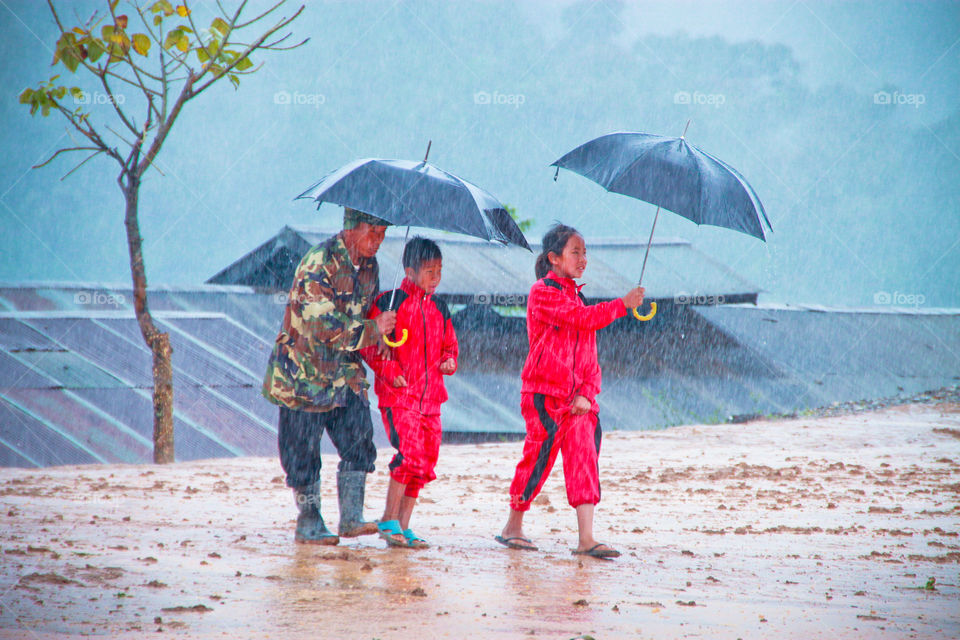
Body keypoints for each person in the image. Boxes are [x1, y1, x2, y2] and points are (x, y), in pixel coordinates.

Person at [496, 223, 645, 558]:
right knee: (538, 459)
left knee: (584, 460)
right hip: (544, 394)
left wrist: (588, 393)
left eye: (585, 252)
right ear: (554, 258)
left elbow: (590, 354)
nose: (583, 259)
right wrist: (623, 304)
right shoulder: (542, 292)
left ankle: (586, 538)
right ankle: (513, 526)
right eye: (575, 252)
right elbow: (580, 320)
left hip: (578, 400)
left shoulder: (578, 296)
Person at [263, 207, 398, 545]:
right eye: (371, 233)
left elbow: (367, 315)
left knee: (359, 440)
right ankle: (309, 521)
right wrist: (371, 329)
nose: (376, 242)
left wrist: (380, 335)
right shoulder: (317, 263)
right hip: (303, 374)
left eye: (382, 235)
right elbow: (322, 325)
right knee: (301, 452)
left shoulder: (369, 268)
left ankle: (351, 517)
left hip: (344, 374)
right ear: (350, 229)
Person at [361, 237, 458, 549]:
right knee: (410, 455)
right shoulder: (391, 303)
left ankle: (403, 525)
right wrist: (391, 372)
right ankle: (389, 519)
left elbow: (450, 347)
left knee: (426, 461)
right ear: (410, 271)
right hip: (400, 397)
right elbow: (369, 348)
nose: (435, 278)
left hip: (432, 400)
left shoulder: (441, 308)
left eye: (439, 271)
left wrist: (449, 361)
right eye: (429, 271)